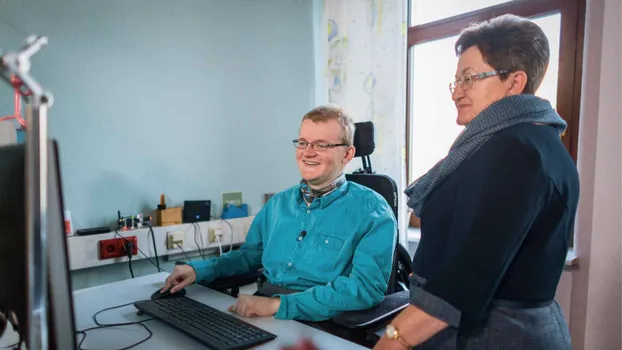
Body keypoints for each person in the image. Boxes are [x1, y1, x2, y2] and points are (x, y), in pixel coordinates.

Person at [374, 14, 579, 350]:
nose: (457, 92)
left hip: (497, 333)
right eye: (456, 81)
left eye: (469, 79)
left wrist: (394, 339)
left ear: (514, 82)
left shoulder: (514, 151)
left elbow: (465, 278)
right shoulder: (532, 141)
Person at [161, 105, 397, 322]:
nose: (308, 152)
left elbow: (364, 290)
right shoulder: (278, 205)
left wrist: (277, 305)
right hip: (264, 309)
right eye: (303, 143)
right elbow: (248, 257)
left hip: (323, 322)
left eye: (321, 145)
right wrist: (197, 269)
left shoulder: (373, 212)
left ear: (347, 154)